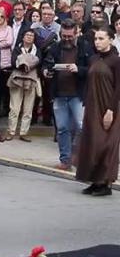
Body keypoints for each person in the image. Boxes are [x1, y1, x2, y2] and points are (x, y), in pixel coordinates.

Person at [75, 26, 120, 197]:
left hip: (109, 107)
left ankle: (105, 183)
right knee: (92, 143)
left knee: (106, 145)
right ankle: (94, 181)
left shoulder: (116, 61)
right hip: (93, 106)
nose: (98, 42)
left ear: (110, 39)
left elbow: (118, 88)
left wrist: (111, 110)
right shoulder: (93, 59)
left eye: (101, 39)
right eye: (96, 39)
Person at [43, 20, 90, 170]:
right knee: (62, 128)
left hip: (78, 94)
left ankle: (78, 156)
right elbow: (46, 64)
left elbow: (92, 68)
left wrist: (79, 69)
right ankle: (65, 160)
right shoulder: (55, 48)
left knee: (81, 126)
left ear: (76, 33)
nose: (67, 39)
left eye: (70, 36)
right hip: (59, 93)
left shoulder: (85, 47)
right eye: (64, 36)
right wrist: (46, 71)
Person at [6, 29, 40, 141]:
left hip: (31, 80)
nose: (29, 37)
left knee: (28, 108)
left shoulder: (37, 50)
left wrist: (26, 63)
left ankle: (24, 132)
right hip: (17, 80)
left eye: (32, 35)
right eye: (27, 35)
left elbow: (39, 62)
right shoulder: (17, 49)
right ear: (23, 37)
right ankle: (11, 131)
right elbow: (13, 62)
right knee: (14, 107)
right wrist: (25, 64)